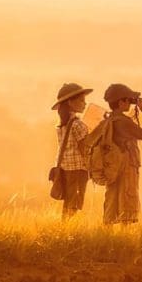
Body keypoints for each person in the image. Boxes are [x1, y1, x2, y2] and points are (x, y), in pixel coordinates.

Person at [92, 83, 142, 225]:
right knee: (127, 200)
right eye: (128, 100)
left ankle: (107, 236)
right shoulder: (124, 122)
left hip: (112, 167)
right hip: (126, 166)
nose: (130, 104)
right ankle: (124, 236)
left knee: (111, 199)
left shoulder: (109, 119)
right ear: (121, 102)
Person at [50, 82, 93, 217]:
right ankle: (67, 228)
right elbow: (84, 147)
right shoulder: (77, 124)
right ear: (70, 102)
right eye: (81, 100)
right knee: (75, 201)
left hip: (65, 167)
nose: (84, 104)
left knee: (68, 200)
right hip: (78, 168)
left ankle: (65, 227)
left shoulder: (62, 125)